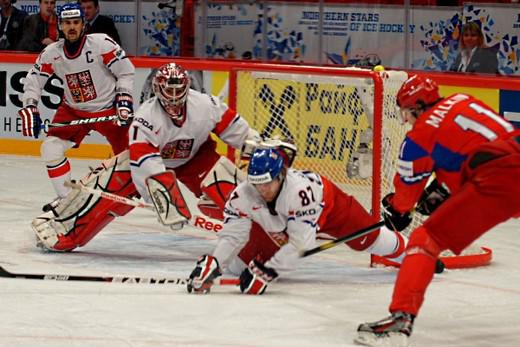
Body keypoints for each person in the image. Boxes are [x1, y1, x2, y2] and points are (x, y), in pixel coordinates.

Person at [354, 74, 520, 346]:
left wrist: (396, 211)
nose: (405, 118)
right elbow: (478, 148)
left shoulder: (418, 137)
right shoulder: (462, 100)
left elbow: (406, 199)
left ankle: (400, 321)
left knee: (424, 241)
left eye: (406, 112)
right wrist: (445, 187)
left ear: (417, 106)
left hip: (496, 181)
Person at [187, 144, 409, 295]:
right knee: (237, 268)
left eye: (267, 183)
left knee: (369, 240)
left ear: (281, 175)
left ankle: (412, 253)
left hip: (331, 210)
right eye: (256, 183)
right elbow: (233, 235)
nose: (262, 190)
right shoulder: (243, 194)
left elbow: (301, 243)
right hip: (282, 223)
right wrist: (214, 263)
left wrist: (267, 272)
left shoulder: (301, 193)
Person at [18, 2, 134, 211]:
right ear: (60, 26)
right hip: (73, 110)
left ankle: (141, 192)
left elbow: (125, 72)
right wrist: (29, 106)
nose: (72, 27)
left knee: (131, 157)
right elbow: (33, 81)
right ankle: (67, 200)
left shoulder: (102, 44)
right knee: (50, 148)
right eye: (67, 23)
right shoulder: (52, 53)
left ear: (83, 24)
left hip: (109, 109)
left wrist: (124, 99)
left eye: (76, 22)